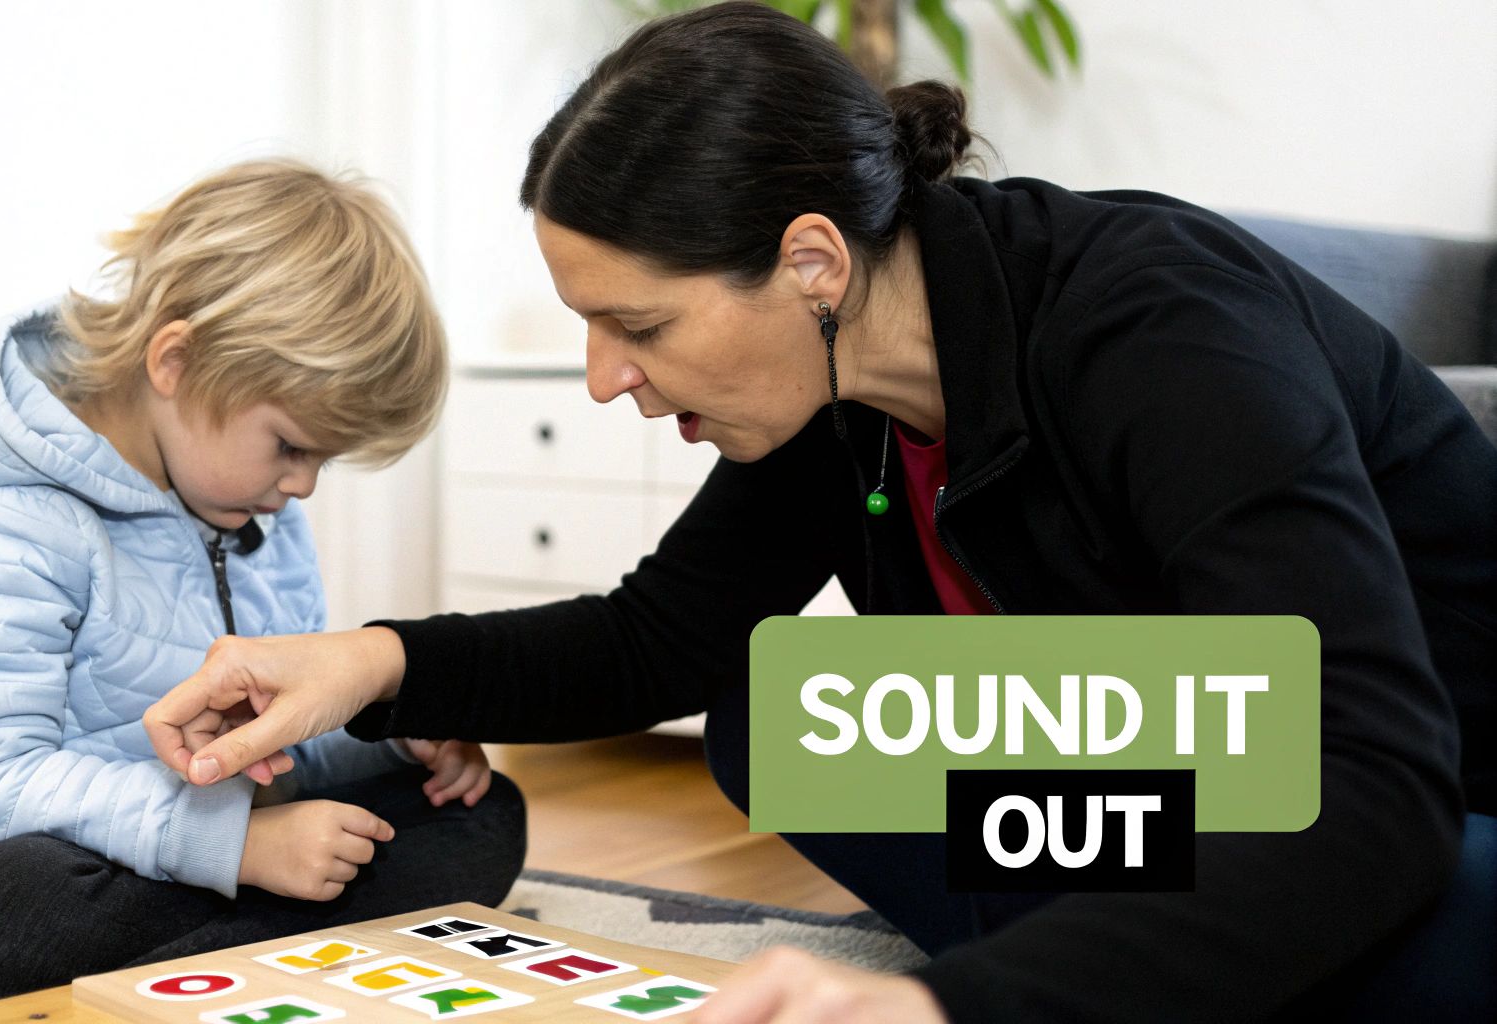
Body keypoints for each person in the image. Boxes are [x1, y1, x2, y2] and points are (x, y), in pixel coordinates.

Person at [146, 5, 1497, 1022]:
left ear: (809, 261)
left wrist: (938, 1004)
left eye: (639, 325)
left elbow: (1371, 782)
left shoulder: (1160, 326)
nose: (608, 378)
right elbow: (656, 639)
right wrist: (371, 663)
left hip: (1409, 780)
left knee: (1412, 920)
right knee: (783, 713)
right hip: (1179, 767)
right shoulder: (835, 379)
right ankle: (1153, 948)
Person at [0, 159, 526, 1008]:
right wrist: (233, 845)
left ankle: (214, 959)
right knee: (4, 916)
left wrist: (392, 739)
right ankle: (294, 938)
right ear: (176, 359)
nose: (305, 486)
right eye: (291, 446)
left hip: (214, 848)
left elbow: (282, 749)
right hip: (21, 868)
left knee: (484, 811)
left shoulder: (256, 511)